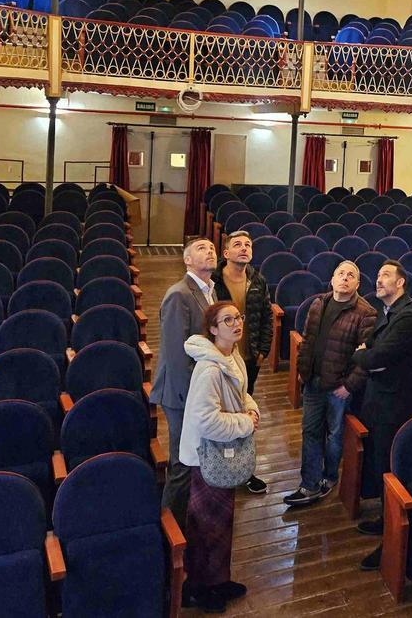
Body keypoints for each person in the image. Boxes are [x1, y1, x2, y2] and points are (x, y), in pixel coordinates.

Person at [179, 301, 260, 613]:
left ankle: (218, 579)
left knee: (222, 523)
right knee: (206, 526)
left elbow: (241, 394)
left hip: (222, 453)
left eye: (238, 317)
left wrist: (251, 408)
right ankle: (199, 588)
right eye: (227, 320)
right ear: (213, 329)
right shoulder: (209, 369)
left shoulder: (232, 355)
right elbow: (206, 421)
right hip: (207, 456)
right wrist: (245, 423)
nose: (236, 323)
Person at [282, 260, 376, 507]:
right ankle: (309, 484)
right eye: (340, 273)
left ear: (358, 284)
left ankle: (330, 476)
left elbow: (367, 357)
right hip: (313, 382)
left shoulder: (366, 313)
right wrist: (303, 371)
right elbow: (307, 341)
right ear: (332, 280)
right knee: (310, 432)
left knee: (335, 436)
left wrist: (349, 386)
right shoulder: (318, 304)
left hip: (339, 388)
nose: (345, 278)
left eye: (351, 275)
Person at [352, 260, 412, 572]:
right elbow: (374, 352)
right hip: (380, 400)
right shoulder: (389, 312)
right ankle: (384, 521)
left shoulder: (407, 317)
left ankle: (391, 542)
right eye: (378, 275)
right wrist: (368, 355)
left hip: (393, 406)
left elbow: (376, 356)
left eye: (385, 276)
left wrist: (362, 355)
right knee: (381, 465)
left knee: (391, 470)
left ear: (401, 283)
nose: (378, 280)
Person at [150, 237, 217, 529]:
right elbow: (177, 355)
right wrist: (194, 396)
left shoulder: (210, 290)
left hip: (199, 388)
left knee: (194, 458)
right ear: (187, 260)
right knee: (181, 462)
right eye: (202, 248)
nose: (210, 251)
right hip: (181, 392)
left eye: (212, 248)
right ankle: (169, 529)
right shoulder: (179, 294)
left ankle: (189, 518)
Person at [212, 229, 274, 495]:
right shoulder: (213, 281)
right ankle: (217, 467)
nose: (244, 248)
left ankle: (243, 468)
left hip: (248, 358)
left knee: (245, 413)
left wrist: (263, 349)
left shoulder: (258, 280)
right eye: (237, 244)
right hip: (221, 358)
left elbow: (267, 317)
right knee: (221, 413)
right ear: (226, 252)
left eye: (248, 244)